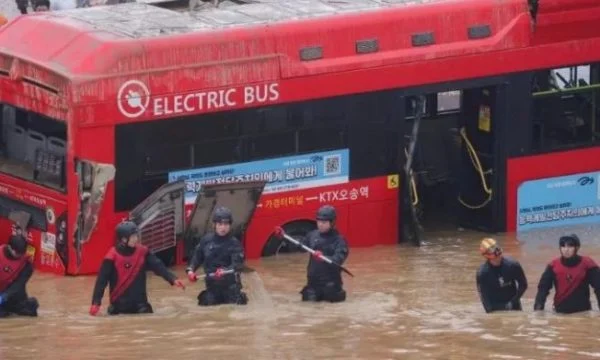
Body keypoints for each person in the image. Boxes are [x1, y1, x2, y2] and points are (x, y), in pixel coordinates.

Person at [89, 221, 185, 316]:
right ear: (123, 239)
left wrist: (173, 279)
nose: (136, 239)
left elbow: (158, 266)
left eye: (136, 236)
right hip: (118, 308)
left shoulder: (143, 252)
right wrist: (96, 303)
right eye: (133, 236)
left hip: (141, 306)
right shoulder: (111, 256)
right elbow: (101, 281)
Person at [186, 206, 248, 306]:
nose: (223, 227)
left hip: (231, 290)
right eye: (220, 224)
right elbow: (197, 257)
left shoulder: (235, 244)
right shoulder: (206, 240)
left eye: (226, 224)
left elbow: (237, 265)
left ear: (230, 225)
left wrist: (224, 271)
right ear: (214, 224)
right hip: (212, 289)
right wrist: (190, 270)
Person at [534, 234, 600, 314]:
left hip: (583, 314)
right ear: (560, 248)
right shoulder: (553, 265)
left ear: (577, 248)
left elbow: (598, 288)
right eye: (563, 246)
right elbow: (543, 289)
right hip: (560, 313)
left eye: (570, 246)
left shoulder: (588, 264)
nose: (566, 249)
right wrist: (538, 312)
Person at [299, 205, 349, 303]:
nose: (320, 224)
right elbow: (301, 247)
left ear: (332, 223)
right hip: (313, 285)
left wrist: (323, 257)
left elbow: (338, 260)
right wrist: (283, 236)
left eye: (324, 222)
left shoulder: (339, 241)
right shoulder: (312, 235)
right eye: (319, 221)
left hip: (331, 287)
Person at [476, 238, 528, 313]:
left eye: (497, 247)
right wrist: (490, 312)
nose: (497, 253)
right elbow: (484, 296)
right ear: (486, 255)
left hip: (513, 304)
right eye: (492, 250)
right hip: (495, 307)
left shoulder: (513, 265)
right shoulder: (482, 273)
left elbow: (523, 285)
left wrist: (513, 302)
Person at [0, 235, 39, 317]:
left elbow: (19, 284)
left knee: (32, 307)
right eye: (17, 253)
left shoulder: (27, 264)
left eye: (22, 253)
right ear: (10, 247)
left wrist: (5, 296)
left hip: (14, 294)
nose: (20, 256)